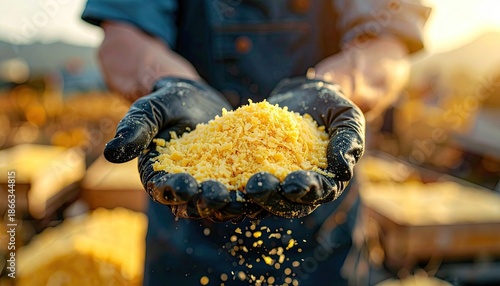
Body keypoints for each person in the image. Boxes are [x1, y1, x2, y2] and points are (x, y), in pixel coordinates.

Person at [82, 1, 430, 285]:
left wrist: (337, 87)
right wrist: (166, 81)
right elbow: (123, 36)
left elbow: (386, 44)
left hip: (323, 235)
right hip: (184, 227)